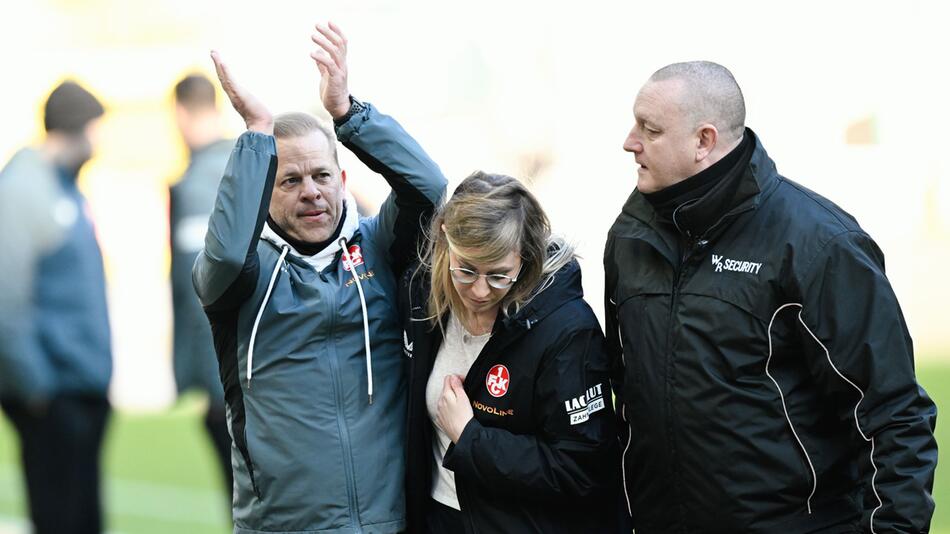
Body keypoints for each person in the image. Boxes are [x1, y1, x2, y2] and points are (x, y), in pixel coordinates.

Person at [604, 61, 938, 533]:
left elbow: (894, 413)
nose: (629, 141)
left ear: (704, 141)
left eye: (649, 129)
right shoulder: (630, 237)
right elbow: (624, 396)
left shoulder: (818, 245)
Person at [192, 22, 447, 533]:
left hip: (386, 522)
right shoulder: (244, 275)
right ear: (264, 192)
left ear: (343, 180)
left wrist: (348, 114)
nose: (311, 191)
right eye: (290, 180)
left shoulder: (377, 246)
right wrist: (257, 135)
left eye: (321, 175)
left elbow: (429, 189)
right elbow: (219, 259)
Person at [401, 172, 621, 533]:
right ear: (445, 243)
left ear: (526, 258)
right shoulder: (421, 294)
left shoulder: (566, 330)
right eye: (467, 270)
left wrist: (470, 436)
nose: (480, 290)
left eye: (499, 275)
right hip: (439, 518)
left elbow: (581, 469)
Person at [0, 80, 113, 533]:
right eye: (95, 130)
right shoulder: (24, 190)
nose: (98, 144)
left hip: (79, 389)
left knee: (84, 518)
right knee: (59, 519)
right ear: (75, 128)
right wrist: (38, 389)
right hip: (53, 395)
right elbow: (7, 301)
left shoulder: (65, 188)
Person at [168, 72, 235, 500]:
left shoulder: (197, 183)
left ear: (178, 114)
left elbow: (201, 287)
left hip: (227, 373)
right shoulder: (245, 164)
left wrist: (211, 382)